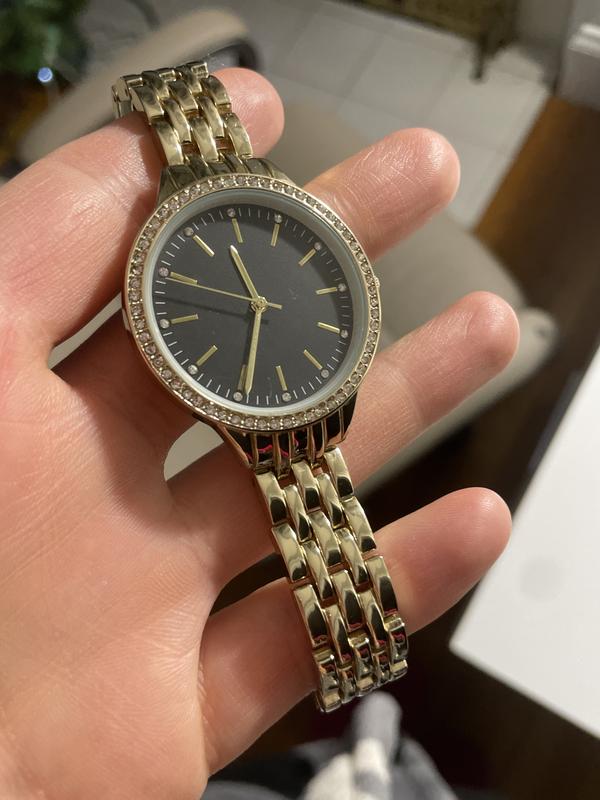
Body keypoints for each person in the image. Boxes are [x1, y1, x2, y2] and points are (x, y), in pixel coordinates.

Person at [0, 68, 518, 799]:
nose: (258, 304)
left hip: (316, 388)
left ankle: (360, 678)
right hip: (257, 405)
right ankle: (360, 680)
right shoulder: (165, 297)